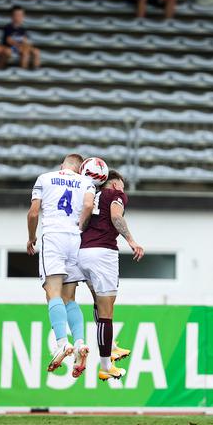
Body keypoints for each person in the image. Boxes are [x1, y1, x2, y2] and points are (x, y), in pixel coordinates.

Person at [65, 169, 144, 381]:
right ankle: (106, 364)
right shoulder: (115, 194)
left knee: (98, 303)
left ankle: (112, 345)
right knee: (107, 311)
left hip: (82, 252)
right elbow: (116, 216)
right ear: (116, 184)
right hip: (103, 254)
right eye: (122, 186)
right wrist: (131, 241)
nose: (123, 191)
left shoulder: (91, 195)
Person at [26, 154, 95, 377]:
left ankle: (63, 343)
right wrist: (80, 227)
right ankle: (81, 342)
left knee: (52, 292)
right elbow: (87, 205)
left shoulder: (45, 178)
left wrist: (31, 237)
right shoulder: (87, 182)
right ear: (80, 169)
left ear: (61, 166)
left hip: (54, 236)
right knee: (70, 298)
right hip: (75, 238)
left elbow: (33, 212)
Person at [3, 5, 40, 70]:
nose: (19, 17)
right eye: (16, 15)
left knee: (36, 51)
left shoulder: (23, 29)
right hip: (12, 48)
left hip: (22, 47)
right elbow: (8, 40)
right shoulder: (8, 27)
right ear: (12, 16)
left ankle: (36, 70)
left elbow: (26, 40)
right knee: (25, 53)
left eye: (21, 15)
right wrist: (19, 45)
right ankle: (24, 71)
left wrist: (28, 45)